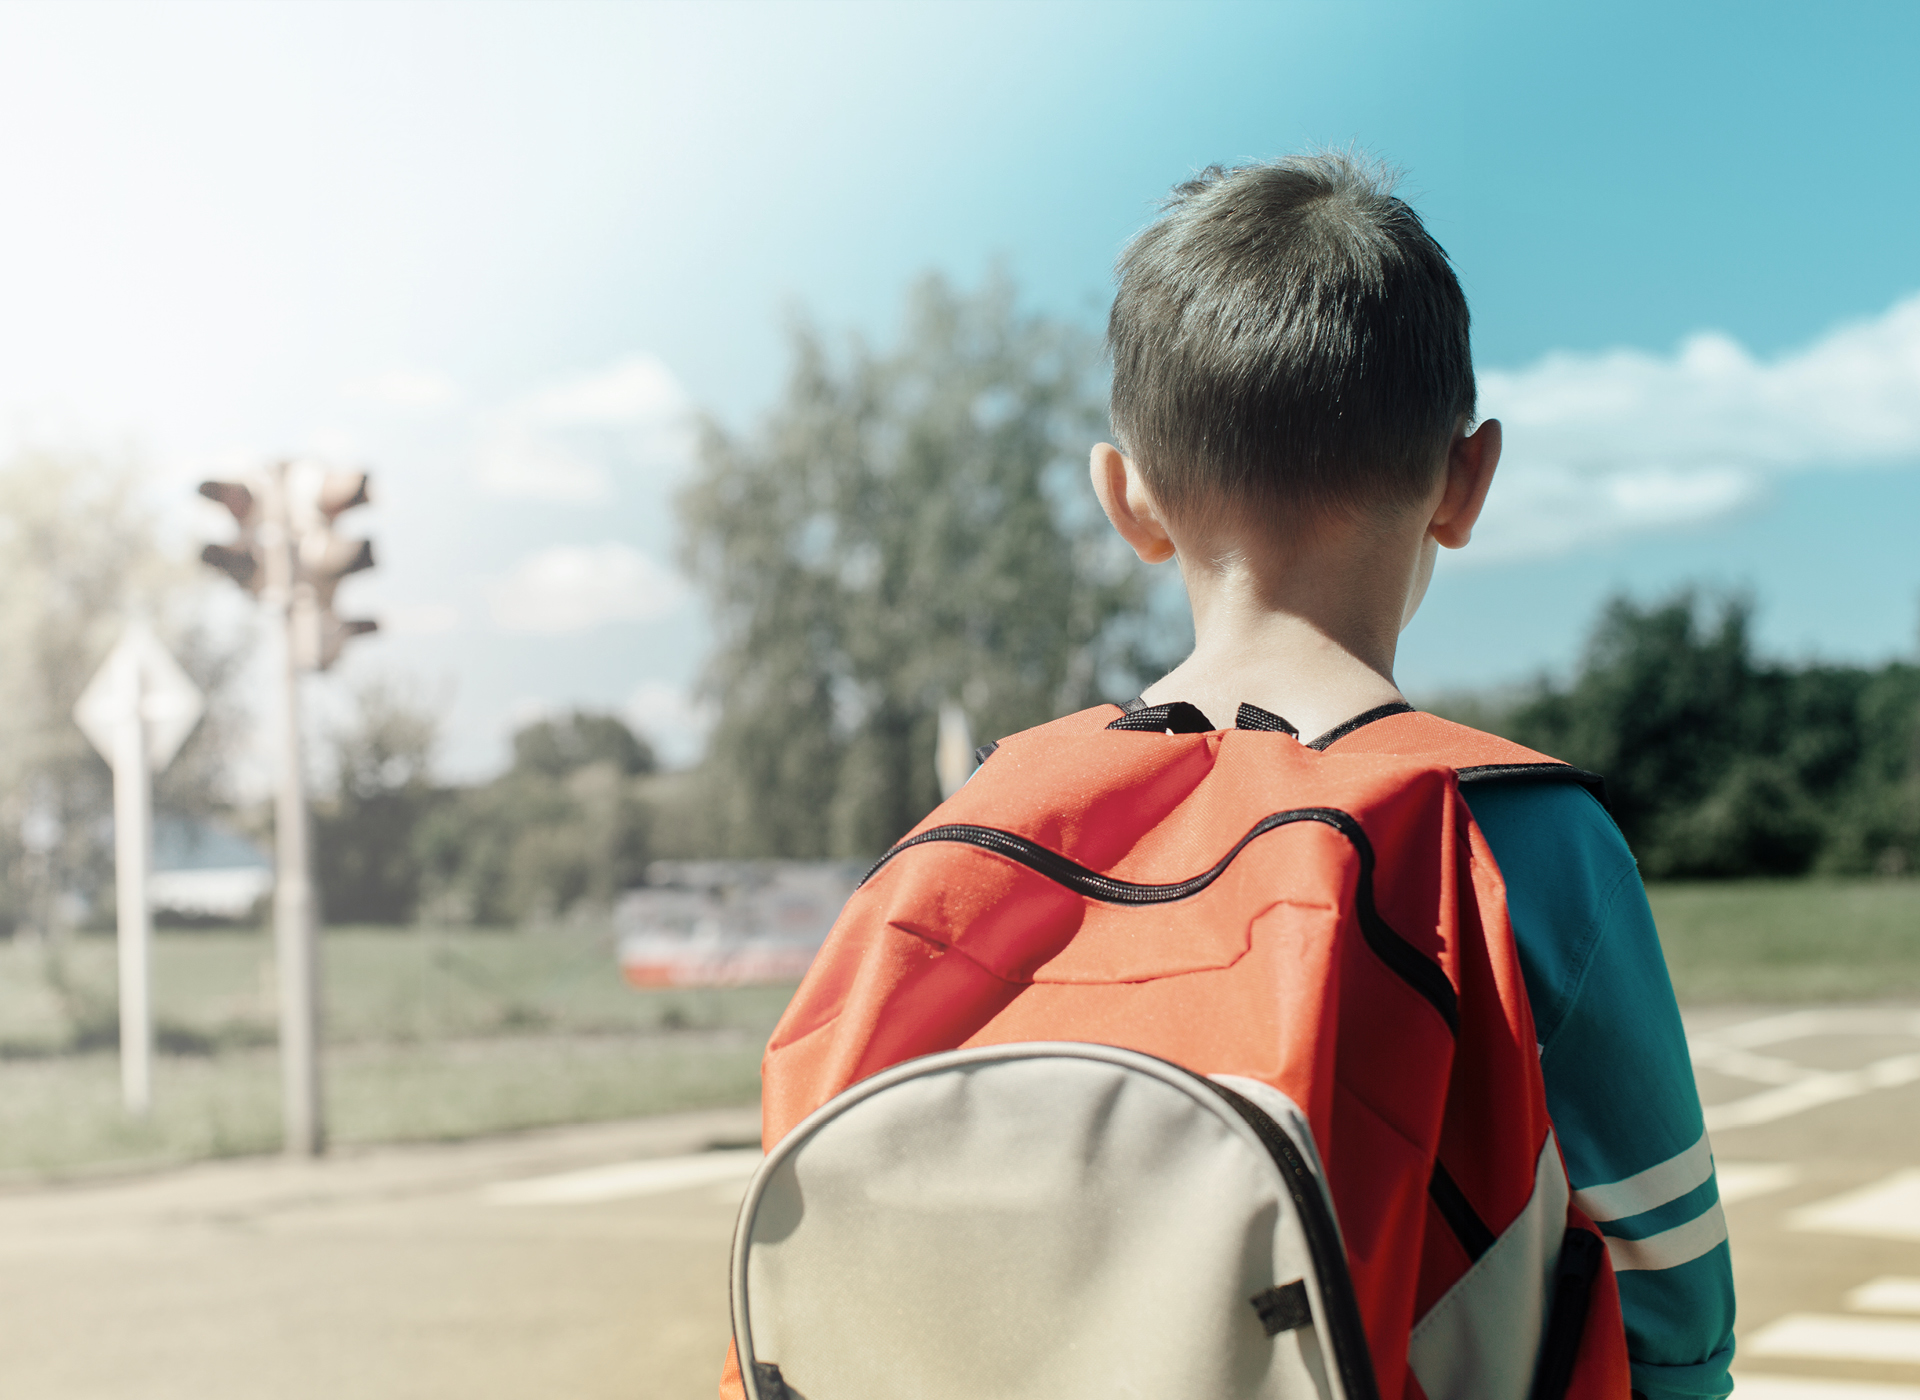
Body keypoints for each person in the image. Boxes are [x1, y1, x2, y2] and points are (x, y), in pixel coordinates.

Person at [723, 153, 1734, 1400]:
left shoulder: (965, 835)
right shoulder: (1525, 838)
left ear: (1126, 497)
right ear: (1468, 481)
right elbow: (1673, 1310)